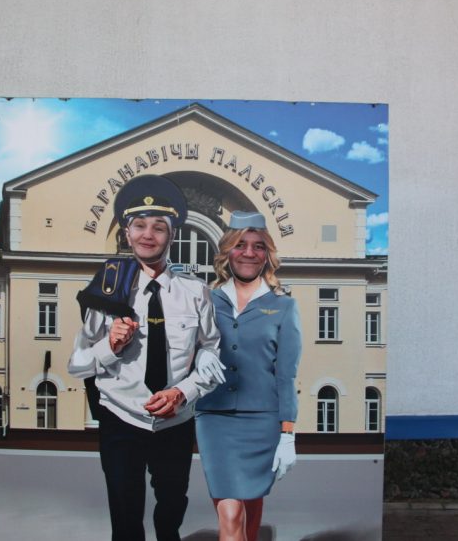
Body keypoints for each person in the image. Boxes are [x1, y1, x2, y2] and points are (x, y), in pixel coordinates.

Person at [68, 174, 224, 541]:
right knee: (125, 514)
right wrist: (109, 346)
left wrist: (183, 392)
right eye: (139, 225)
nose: (148, 234)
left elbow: (211, 352)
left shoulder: (195, 292)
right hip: (121, 417)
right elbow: (76, 364)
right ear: (127, 233)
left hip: (175, 420)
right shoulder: (107, 291)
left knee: (172, 506)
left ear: (173, 234)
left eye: (159, 227)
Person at [195, 211, 303, 541]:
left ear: (267, 254)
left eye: (258, 246)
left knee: (251, 509)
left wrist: (287, 433)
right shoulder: (206, 300)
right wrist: (199, 354)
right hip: (214, 418)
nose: (249, 253)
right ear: (228, 251)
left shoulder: (283, 307)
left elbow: (286, 375)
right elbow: (184, 349)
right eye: (240, 245)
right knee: (230, 512)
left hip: (263, 421)